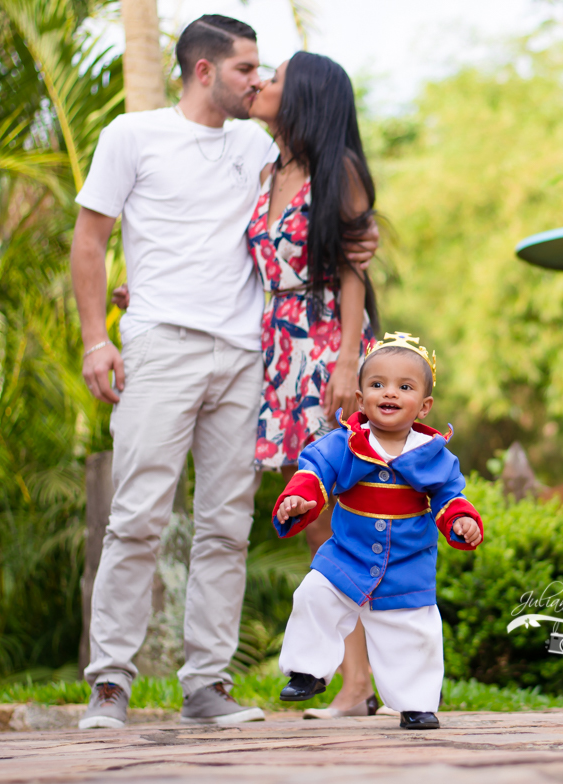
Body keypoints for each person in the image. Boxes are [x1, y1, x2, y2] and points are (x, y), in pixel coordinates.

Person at [70, 15, 379, 729]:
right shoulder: (132, 136)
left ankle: (206, 684)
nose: (260, 81)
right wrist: (98, 335)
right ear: (205, 71)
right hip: (161, 345)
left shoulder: (262, 147)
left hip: (251, 356)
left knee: (225, 526)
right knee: (137, 516)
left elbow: (332, 218)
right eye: (248, 69)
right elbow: (91, 240)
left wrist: (363, 238)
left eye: (265, 72)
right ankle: (110, 685)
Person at [245, 51, 387, 718]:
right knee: (314, 519)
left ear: (302, 96)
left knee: (342, 516)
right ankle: (353, 678)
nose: (263, 85)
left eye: (273, 79)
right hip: (276, 349)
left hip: (326, 341)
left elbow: (354, 269)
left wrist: (348, 362)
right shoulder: (266, 168)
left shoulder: (341, 171)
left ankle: (361, 683)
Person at [271, 333, 484, 730]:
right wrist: (299, 499)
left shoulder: (434, 454)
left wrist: (461, 520)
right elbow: (314, 471)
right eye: (377, 384)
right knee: (314, 594)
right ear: (360, 396)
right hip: (347, 555)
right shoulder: (346, 443)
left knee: (413, 631)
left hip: (407, 563)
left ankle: (416, 704)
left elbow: (450, 496)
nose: (389, 393)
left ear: (424, 405)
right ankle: (308, 671)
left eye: (404, 387)